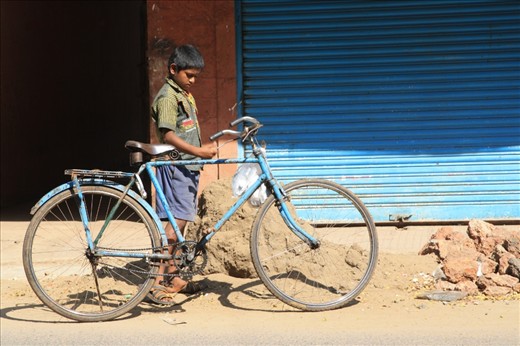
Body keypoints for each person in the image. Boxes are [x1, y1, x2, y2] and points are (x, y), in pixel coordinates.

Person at [149, 44, 217, 304]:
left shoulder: (184, 93)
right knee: (173, 226)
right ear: (173, 69)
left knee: (180, 225)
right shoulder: (168, 97)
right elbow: (168, 135)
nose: (193, 81)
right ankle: (155, 282)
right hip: (177, 167)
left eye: (196, 76)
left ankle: (173, 276)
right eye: (189, 75)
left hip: (187, 168)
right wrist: (198, 152)